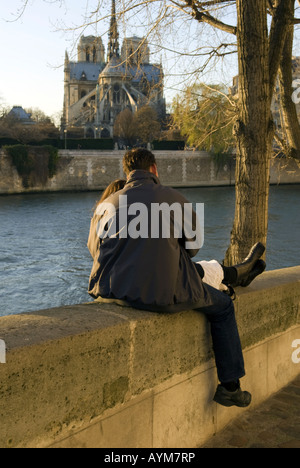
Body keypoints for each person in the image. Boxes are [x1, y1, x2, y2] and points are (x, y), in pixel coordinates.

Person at [87, 148, 266, 408]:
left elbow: (94, 250)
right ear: (155, 169)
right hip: (159, 294)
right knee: (224, 307)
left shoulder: (107, 204)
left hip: (108, 290)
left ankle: (234, 274)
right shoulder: (173, 198)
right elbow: (193, 248)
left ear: (127, 172)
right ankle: (230, 386)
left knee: (181, 267)